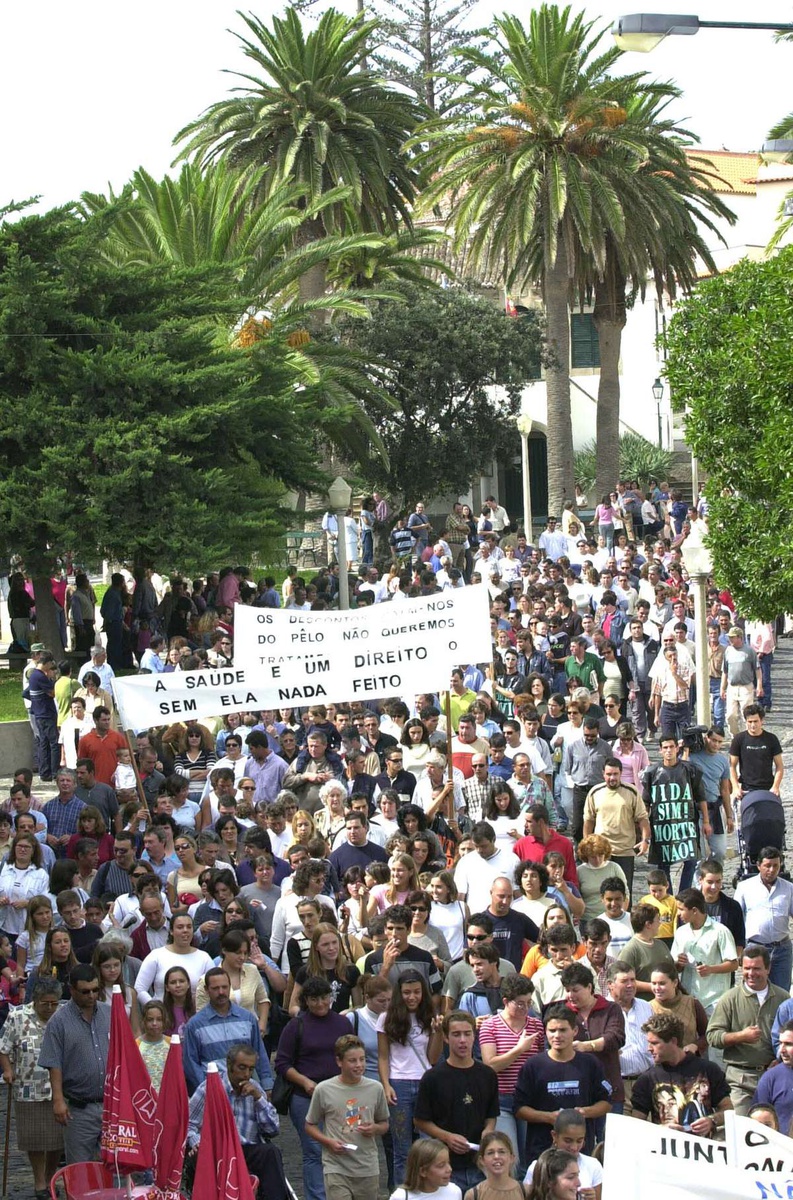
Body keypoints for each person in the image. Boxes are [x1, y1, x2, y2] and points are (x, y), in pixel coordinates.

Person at [276, 976, 362, 1200]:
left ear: (331, 998)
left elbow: (353, 1056)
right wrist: (305, 1082)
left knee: (345, 1146)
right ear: (306, 1001)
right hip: (306, 1097)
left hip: (342, 1097)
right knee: (314, 1151)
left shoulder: (343, 1024)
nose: (320, 1004)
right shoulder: (296, 1025)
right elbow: (283, 1063)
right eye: (314, 999)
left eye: (324, 998)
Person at [414, 1009, 499, 1192]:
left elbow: (492, 1114)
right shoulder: (433, 1078)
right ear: (445, 1038)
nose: (462, 1040)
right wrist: (447, 1136)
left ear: (474, 1036)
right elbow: (420, 1120)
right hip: (446, 1166)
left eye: (467, 1034)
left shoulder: (487, 1075)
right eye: (456, 1034)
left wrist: (488, 1131)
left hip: (479, 1164)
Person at [514, 1003, 611, 1164]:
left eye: (563, 1030)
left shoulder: (590, 1063)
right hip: (542, 1151)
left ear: (574, 1031)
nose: (557, 1035)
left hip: (580, 1153)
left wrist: (584, 1112)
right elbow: (519, 1109)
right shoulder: (533, 1065)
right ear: (545, 1032)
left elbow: (606, 1103)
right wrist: (549, 1117)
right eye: (552, 1030)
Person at [187, 1045, 287, 1200]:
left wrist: (258, 1099)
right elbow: (189, 1124)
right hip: (217, 1151)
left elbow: (273, 1130)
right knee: (199, 1155)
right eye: (242, 1068)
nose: (246, 1074)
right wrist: (197, 1142)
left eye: (250, 1069)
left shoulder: (255, 1088)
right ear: (229, 1065)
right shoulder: (209, 1088)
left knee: (271, 1152)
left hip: (246, 1149)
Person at [38, 964, 110, 1164]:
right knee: (80, 1169)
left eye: (96, 990)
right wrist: (58, 1101)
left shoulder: (110, 1013)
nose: (92, 995)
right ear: (72, 990)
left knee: (115, 1169)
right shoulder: (58, 1022)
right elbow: (54, 1063)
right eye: (85, 991)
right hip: (79, 1107)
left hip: (111, 1105)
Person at [0, 977, 64, 1200]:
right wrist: (8, 1070)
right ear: (35, 1000)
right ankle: (39, 1181)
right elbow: (4, 1048)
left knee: (57, 1139)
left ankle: (50, 1176)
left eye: (53, 1003)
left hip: (59, 1089)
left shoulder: (63, 1015)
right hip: (28, 1087)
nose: (49, 1008)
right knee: (35, 1138)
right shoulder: (17, 1016)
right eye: (44, 1003)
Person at [306, 1032, 390, 1200]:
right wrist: (328, 1141)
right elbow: (310, 1125)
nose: (359, 1065)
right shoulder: (324, 1089)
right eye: (352, 1060)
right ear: (339, 1061)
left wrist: (374, 1128)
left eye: (362, 1059)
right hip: (336, 1167)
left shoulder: (376, 1088)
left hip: (367, 1167)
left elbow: (384, 1124)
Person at [378, 970, 444, 1184]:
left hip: (425, 1081)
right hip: (399, 1082)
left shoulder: (431, 1016)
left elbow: (433, 1058)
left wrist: (438, 1032)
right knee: (402, 1148)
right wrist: (386, 1084)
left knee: (427, 1145)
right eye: (407, 992)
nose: (412, 997)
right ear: (400, 993)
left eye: (416, 992)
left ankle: (428, 1190)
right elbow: (383, 1056)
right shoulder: (386, 1018)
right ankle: (403, 1191)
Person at [706, 944, 787, 1116]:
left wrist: (780, 1059)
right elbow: (712, 1036)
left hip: (775, 1075)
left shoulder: (783, 998)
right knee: (740, 1129)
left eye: (757, 968)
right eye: (747, 968)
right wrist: (740, 1036)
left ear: (768, 969)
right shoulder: (730, 999)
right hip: (740, 1080)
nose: (751, 974)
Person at [479, 974, 543, 1172]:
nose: (525, 1008)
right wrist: (519, 1049)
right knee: (509, 1160)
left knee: (530, 1159)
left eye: (528, 1003)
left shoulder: (536, 1025)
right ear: (506, 1001)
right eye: (520, 1003)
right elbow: (490, 1065)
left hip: (529, 1099)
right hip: (502, 1099)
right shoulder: (491, 1025)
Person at [631, 1012, 732, 1134]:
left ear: (673, 1041)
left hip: (704, 1149)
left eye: (655, 1043)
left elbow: (728, 1109)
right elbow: (635, 1124)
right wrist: (660, 1130)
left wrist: (712, 1120)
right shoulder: (647, 1079)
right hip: (664, 1149)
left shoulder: (708, 1070)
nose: (649, 1048)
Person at [182, 966, 273, 1094]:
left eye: (224, 987)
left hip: (244, 1090)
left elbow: (259, 1052)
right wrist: (207, 1089)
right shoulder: (195, 1025)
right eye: (215, 988)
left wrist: (267, 1085)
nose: (221, 992)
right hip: (212, 1093)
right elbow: (191, 1063)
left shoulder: (248, 1019)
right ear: (206, 990)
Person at [642, 737, 708, 893]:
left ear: (677, 749)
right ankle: (669, 895)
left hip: (686, 823)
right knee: (663, 862)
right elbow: (645, 802)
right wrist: (644, 828)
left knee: (691, 859)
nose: (668, 750)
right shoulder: (652, 773)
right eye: (665, 747)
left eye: (671, 747)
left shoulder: (690, 770)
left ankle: (684, 893)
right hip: (662, 825)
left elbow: (701, 798)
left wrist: (706, 821)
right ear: (660, 750)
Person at [582, 760, 650, 900]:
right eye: (608, 774)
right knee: (600, 892)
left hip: (624, 850)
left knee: (624, 893)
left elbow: (642, 818)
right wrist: (587, 845)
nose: (612, 778)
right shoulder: (595, 792)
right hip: (601, 852)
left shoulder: (631, 791)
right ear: (603, 774)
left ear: (621, 774)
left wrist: (645, 840)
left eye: (615, 774)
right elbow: (588, 821)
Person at [671, 888, 738, 1016]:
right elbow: (675, 967)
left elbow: (733, 964)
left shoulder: (720, 931)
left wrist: (711, 969)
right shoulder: (681, 932)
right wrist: (679, 964)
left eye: (681, 909)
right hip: (688, 999)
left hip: (713, 1000)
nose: (678, 914)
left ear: (694, 910)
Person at [734, 847, 793, 991]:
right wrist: (738, 949)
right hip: (755, 947)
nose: (771, 870)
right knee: (754, 991)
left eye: (775, 866)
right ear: (759, 865)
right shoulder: (744, 887)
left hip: (782, 949)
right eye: (767, 866)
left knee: (782, 992)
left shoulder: (789, 888)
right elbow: (736, 919)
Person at [606, 962, 653, 1118]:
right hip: (619, 1085)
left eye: (633, 980)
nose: (630, 985)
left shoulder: (646, 1006)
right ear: (610, 985)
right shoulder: (602, 1011)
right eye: (624, 981)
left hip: (647, 1081)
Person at [524, 1113, 602, 1200]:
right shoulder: (538, 1166)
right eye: (568, 1140)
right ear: (554, 1136)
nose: (574, 1147)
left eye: (579, 1141)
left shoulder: (593, 1165)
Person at [729, 704, 783, 797]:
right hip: (746, 788)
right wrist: (735, 787)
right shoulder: (739, 739)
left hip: (768, 788)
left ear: (762, 721)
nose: (753, 725)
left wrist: (776, 786)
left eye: (755, 721)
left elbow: (779, 766)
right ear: (745, 721)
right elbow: (732, 766)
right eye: (750, 722)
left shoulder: (771, 739)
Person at [751, 1019, 793, 1135]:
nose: (781, 1050)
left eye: (789, 1044)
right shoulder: (771, 1078)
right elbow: (756, 1124)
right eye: (780, 1043)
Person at [619, 905, 675, 992]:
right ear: (648, 924)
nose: (660, 923)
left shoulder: (661, 945)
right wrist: (654, 987)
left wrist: (680, 965)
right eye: (657, 920)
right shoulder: (630, 950)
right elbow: (623, 980)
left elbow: (671, 970)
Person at [721, 627, 761, 737]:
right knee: (730, 715)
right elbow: (725, 671)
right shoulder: (728, 651)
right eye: (730, 638)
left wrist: (759, 686)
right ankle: (736, 736)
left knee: (747, 714)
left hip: (746, 686)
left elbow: (757, 669)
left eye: (733, 637)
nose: (730, 640)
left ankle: (748, 736)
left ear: (740, 637)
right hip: (732, 687)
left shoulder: (749, 651)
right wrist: (722, 688)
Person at [391, 1137, 462, 1200]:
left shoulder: (454, 1191)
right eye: (441, 1165)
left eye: (448, 1163)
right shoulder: (401, 1197)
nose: (449, 1169)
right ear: (423, 1171)